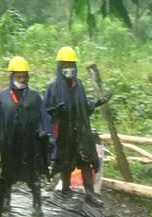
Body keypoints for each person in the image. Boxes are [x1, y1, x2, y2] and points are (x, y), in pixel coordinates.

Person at [0, 56, 51, 217]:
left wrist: (47, 135)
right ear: (12, 77)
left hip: (30, 144)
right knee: (7, 174)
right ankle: (6, 201)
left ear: (28, 77)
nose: (22, 80)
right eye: (18, 77)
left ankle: (37, 204)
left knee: (33, 176)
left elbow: (43, 117)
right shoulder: (3, 96)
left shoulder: (35, 96)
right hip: (9, 145)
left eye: (24, 76)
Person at [44, 46, 109, 207]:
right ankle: (66, 189)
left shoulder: (79, 85)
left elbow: (85, 108)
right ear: (60, 67)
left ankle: (90, 194)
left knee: (86, 161)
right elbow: (46, 111)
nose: (69, 68)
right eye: (65, 65)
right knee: (66, 163)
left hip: (82, 132)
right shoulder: (53, 88)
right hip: (65, 133)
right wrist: (55, 112)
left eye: (71, 65)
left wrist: (97, 103)